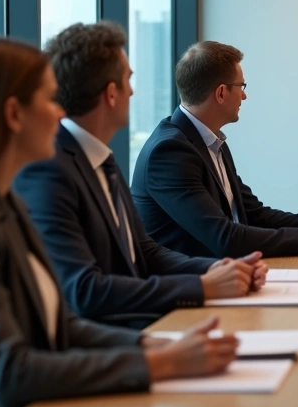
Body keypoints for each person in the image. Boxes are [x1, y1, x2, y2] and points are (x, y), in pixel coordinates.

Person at [0, 37, 238, 407]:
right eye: (49, 100)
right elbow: (8, 373)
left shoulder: (3, 203)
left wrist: (156, 344)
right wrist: (158, 363)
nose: (60, 112)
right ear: (13, 114)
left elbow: (60, 327)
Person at [15, 22, 265, 327]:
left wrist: (214, 270)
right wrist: (202, 286)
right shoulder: (50, 172)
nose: (132, 91)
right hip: (111, 336)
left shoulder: (100, 159)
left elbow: (144, 251)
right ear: (111, 93)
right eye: (128, 80)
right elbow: (84, 290)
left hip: (141, 322)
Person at [133, 41, 298, 259]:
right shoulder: (170, 152)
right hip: (192, 284)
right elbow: (224, 237)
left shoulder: (211, 141)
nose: (244, 95)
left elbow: (255, 214)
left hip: (227, 273)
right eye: (241, 86)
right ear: (221, 93)